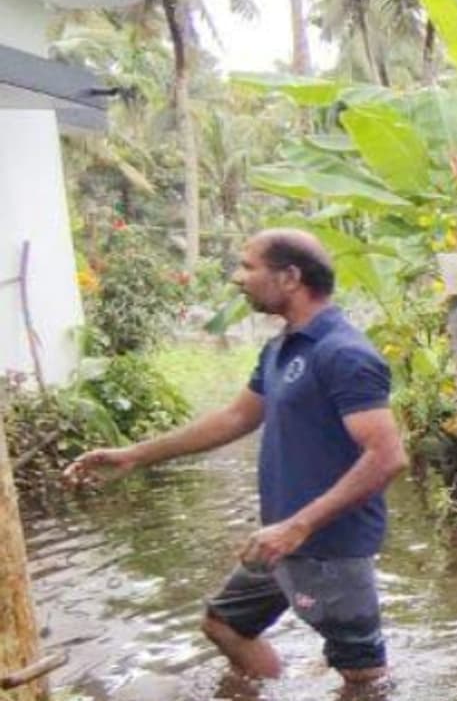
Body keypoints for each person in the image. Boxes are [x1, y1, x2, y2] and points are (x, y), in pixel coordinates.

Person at [65, 229, 407, 687]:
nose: (236, 278)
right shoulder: (282, 347)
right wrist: (135, 455)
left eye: (248, 266)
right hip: (279, 542)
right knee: (223, 624)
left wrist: (297, 526)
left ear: (289, 277)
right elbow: (235, 418)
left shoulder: (342, 353)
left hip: (327, 548)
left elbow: (387, 457)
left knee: (363, 677)